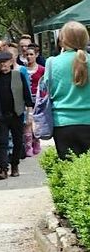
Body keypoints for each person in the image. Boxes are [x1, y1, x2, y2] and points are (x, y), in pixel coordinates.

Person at [45, 21, 90, 159]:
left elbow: (48, 89)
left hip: (63, 123)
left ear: (62, 39)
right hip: (88, 121)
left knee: (67, 170)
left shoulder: (52, 62)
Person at [0, 49, 33, 179]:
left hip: (17, 113)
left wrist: (29, 114)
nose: (2, 65)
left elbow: (27, 95)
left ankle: (15, 165)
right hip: (1, 115)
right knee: (2, 142)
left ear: (11, 62)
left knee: (17, 141)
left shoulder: (18, 75)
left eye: (5, 62)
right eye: (0, 63)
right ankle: (3, 168)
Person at [21, 45, 45, 156]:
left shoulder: (42, 69)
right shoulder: (22, 70)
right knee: (27, 122)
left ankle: (36, 141)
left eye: (31, 54)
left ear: (36, 55)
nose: (29, 57)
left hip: (38, 99)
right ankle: (28, 145)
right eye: (27, 55)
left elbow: (45, 85)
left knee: (36, 122)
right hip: (26, 99)